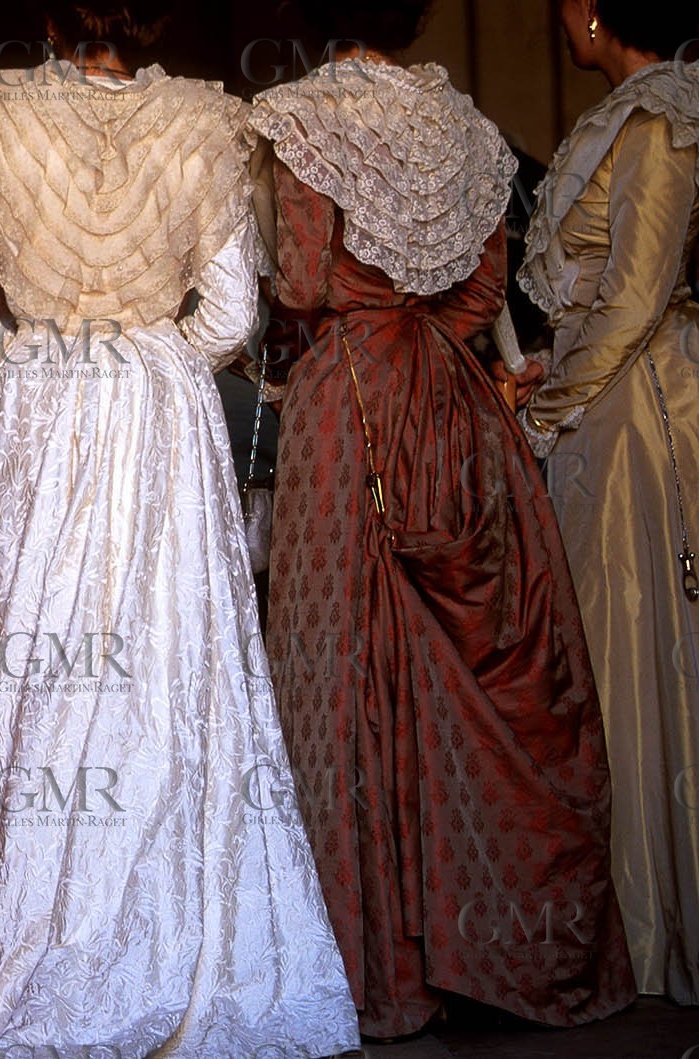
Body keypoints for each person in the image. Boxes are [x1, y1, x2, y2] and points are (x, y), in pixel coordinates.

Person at [0, 3, 359, 1055]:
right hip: (160, 414)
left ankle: (35, 938)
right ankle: (182, 935)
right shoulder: (203, 124)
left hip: (44, 409)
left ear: (49, 15)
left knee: (41, 661)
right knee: (169, 662)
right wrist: (153, 363)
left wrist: (31, 363)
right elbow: (232, 314)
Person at [253, 0, 636, 1039]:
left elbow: (300, 283)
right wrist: (420, 329)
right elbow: (478, 295)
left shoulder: (300, 115)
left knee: (345, 670)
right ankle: (487, 940)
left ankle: (375, 959)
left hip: (349, 403)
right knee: (471, 657)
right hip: (451, 399)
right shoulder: (461, 123)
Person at [518, 0, 699, 1004]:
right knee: (598, 647)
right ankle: (621, 913)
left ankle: (652, 919)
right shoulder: (632, 112)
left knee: (634, 643)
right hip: (600, 406)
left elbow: (635, 295)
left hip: (634, 415)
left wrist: (551, 405)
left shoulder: (662, 115)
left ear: (594, 9)